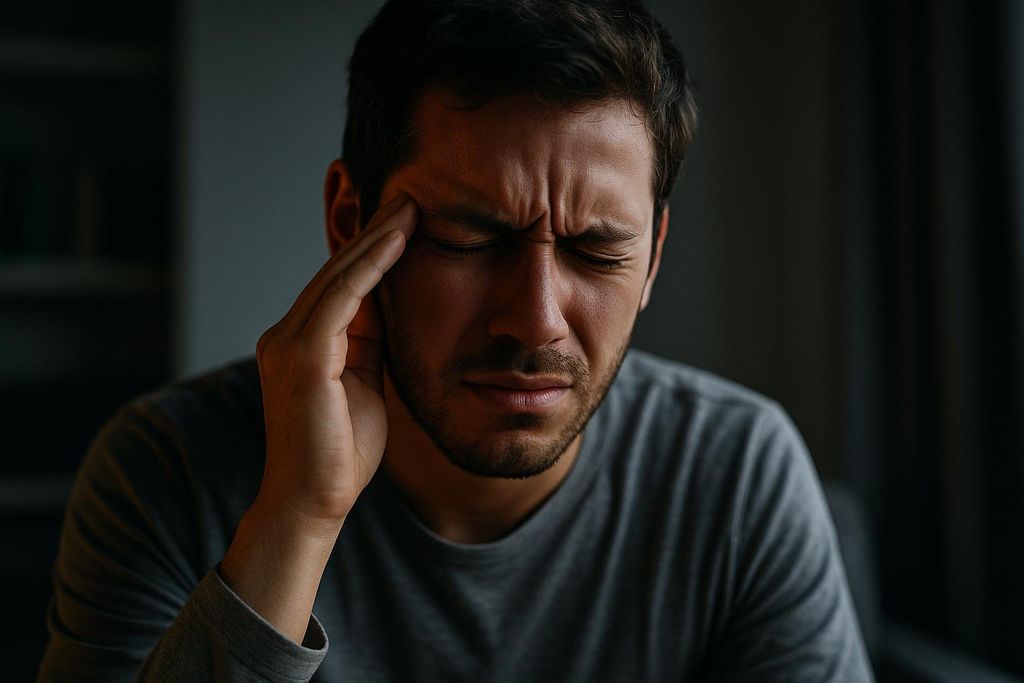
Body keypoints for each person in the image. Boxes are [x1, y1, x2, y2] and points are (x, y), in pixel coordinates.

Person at [38, 0, 873, 680]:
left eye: (596, 250)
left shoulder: (738, 471)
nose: (536, 318)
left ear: (652, 256)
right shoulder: (164, 470)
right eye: (471, 240)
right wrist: (297, 517)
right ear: (349, 221)